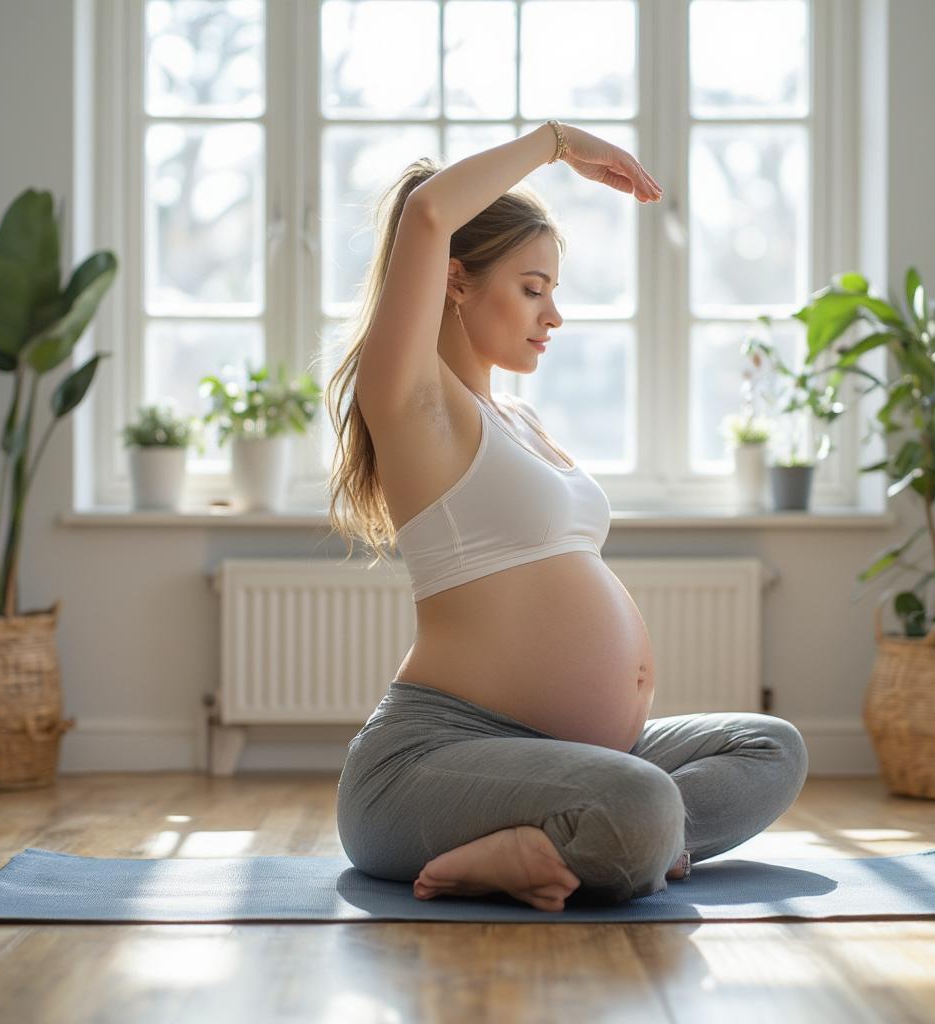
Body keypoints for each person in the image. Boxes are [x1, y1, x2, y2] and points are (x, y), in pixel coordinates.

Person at [325, 121, 808, 911]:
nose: (553, 316)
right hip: (428, 762)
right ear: (454, 282)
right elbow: (426, 213)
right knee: (644, 807)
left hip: (574, 756)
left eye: (554, 290)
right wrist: (556, 141)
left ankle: (609, 841)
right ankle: (597, 842)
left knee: (769, 747)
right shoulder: (415, 407)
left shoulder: (519, 418)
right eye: (532, 287)